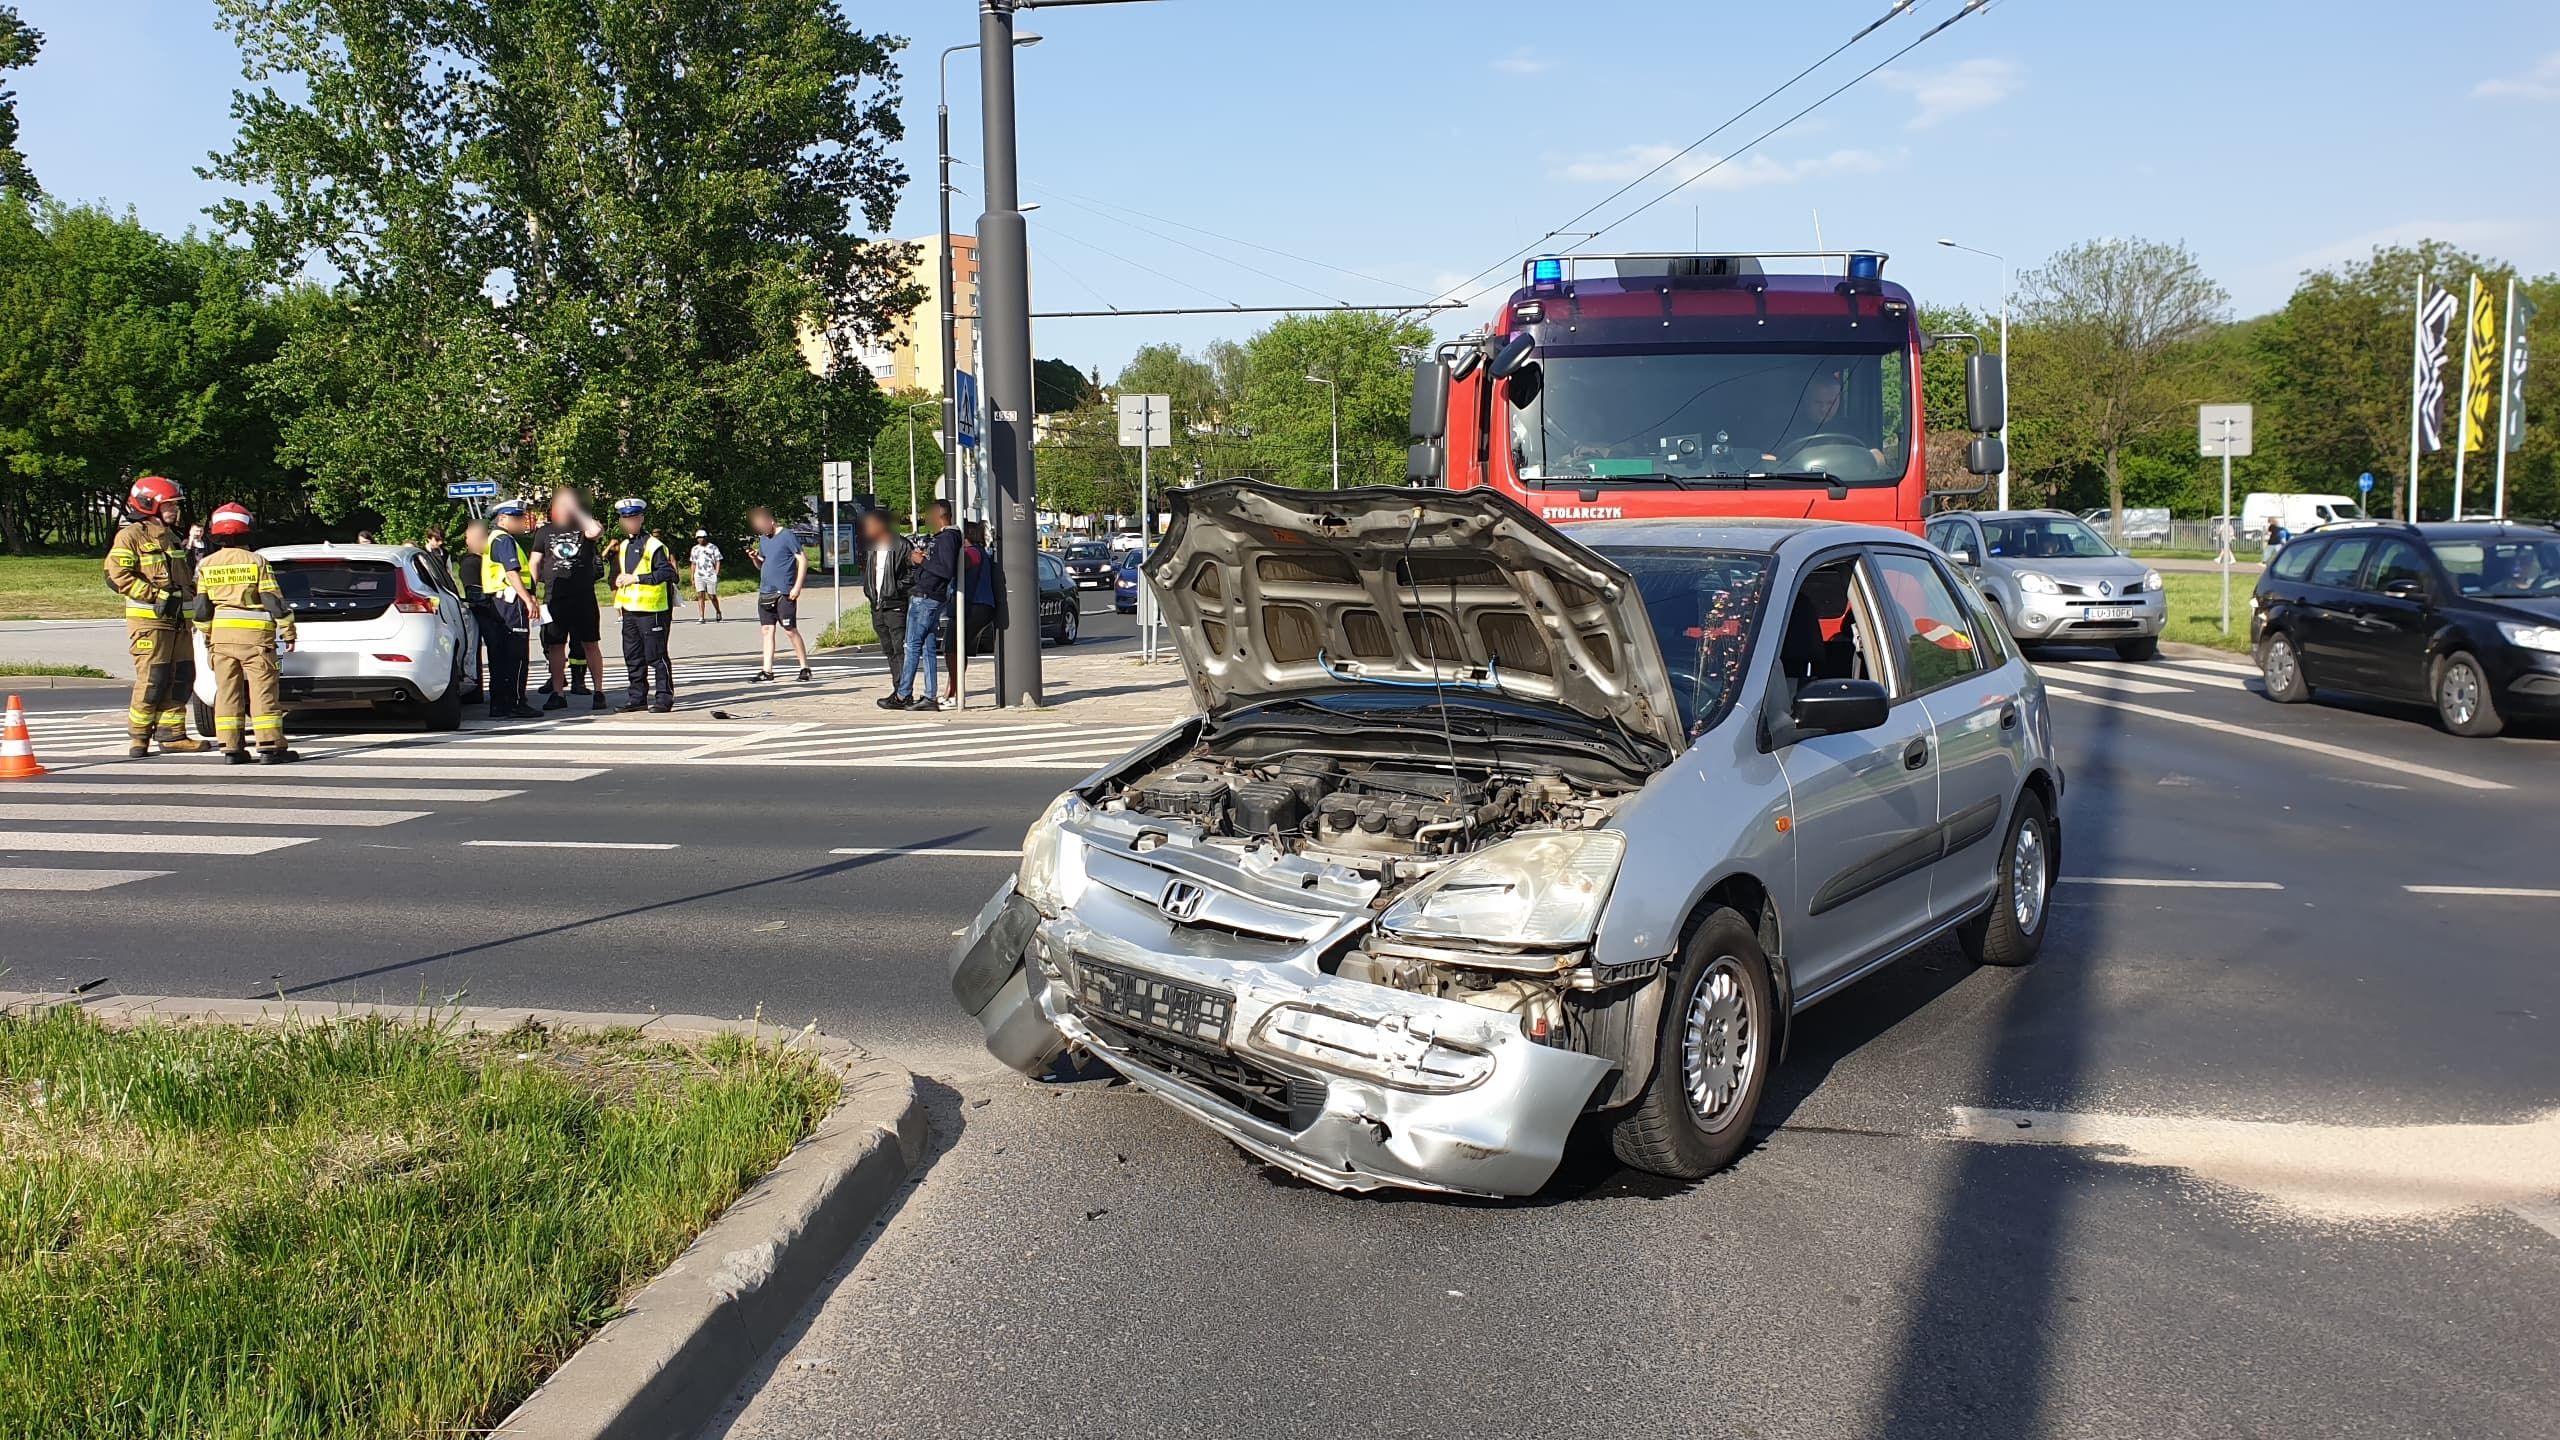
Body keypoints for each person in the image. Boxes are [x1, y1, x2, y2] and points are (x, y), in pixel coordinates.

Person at [102, 474, 213, 757]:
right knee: (154, 678)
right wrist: (156, 595)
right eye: (170, 505)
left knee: (181, 677)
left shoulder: (173, 537)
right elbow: (116, 575)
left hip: (179, 622)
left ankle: (173, 734)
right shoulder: (130, 536)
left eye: (175, 505)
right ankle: (139, 737)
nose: (175, 510)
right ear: (149, 505)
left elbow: (183, 578)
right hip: (150, 623)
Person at [193, 503, 301, 766]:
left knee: (227, 693)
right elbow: (272, 601)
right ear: (247, 531)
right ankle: (269, 747)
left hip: (221, 640)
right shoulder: (256, 562)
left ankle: (231, 749)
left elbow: (202, 608)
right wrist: (288, 631)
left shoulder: (207, 564)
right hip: (256, 641)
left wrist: (208, 637)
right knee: (262, 692)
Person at [535, 488, 609, 710]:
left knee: (590, 643)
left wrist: (576, 510)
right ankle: (558, 692)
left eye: (570, 503)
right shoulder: (544, 532)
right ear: (554, 508)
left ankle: (598, 691)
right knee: (556, 645)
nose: (565, 507)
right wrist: (533, 588)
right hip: (556, 598)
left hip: (583, 597)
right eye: (562, 503)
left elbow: (596, 531)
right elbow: (535, 561)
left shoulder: (582, 528)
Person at [886, 500, 962, 711]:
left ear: (939, 515)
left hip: (928, 596)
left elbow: (945, 569)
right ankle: (929, 694)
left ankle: (902, 694)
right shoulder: (944, 538)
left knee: (912, 644)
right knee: (927, 647)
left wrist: (922, 561)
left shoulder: (947, 539)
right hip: (927, 595)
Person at [608, 497, 678, 712]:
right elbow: (622, 573)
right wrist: (620, 579)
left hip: (653, 609)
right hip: (630, 609)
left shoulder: (654, 545)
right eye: (625, 519)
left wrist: (636, 579)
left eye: (633, 518)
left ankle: (664, 698)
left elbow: (669, 574)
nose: (629, 523)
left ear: (641, 519)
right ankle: (637, 697)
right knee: (633, 656)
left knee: (656, 656)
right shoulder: (625, 545)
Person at [481, 501, 543, 719]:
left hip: (499, 603)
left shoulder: (494, 539)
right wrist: (527, 599)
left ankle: (499, 704)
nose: (520, 522)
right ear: (503, 519)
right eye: (516, 518)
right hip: (511, 602)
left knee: (500, 656)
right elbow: (512, 573)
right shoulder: (504, 540)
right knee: (517, 656)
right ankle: (516, 702)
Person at [748, 507, 812, 683]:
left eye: (762, 525)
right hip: (765, 591)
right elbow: (763, 564)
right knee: (767, 630)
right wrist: (755, 558)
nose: (761, 529)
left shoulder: (787, 535)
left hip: (784, 592)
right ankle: (767, 670)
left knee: (790, 629)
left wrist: (797, 587)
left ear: (770, 520)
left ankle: (804, 667)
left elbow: (802, 559)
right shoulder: (763, 539)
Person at [857, 507, 914, 680]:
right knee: (889, 649)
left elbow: (913, 573)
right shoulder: (871, 547)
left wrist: (896, 588)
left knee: (899, 648)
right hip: (877, 605)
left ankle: (904, 691)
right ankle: (898, 688)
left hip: (895, 604)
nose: (866, 530)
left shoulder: (901, 545)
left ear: (881, 525)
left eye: (869, 525)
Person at [950, 520, 1000, 699]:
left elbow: (954, 568)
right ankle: (953, 690)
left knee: (952, 647)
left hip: (974, 605)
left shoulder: (971, 553)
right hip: (980, 605)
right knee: (957, 647)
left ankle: (953, 691)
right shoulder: (979, 552)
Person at [459, 519, 491, 696]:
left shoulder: (487, 559)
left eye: (483, 537)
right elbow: (474, 593)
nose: (481, 541)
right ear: (468, 540)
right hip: (481, 613)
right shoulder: (470, 563)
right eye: (477, 538)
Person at [689, 528, 724, 623]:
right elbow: (693, 563)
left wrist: (716, 572)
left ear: (706, 538)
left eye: (703, 537)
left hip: (710, 574)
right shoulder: (695, 549)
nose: (701, 539)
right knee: (700, 595)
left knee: (711, 595)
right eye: (699, 538)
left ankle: (717, 611)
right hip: (699, 575)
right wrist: (692, 576)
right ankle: (701, 617)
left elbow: (718, 560)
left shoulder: (713, 547)